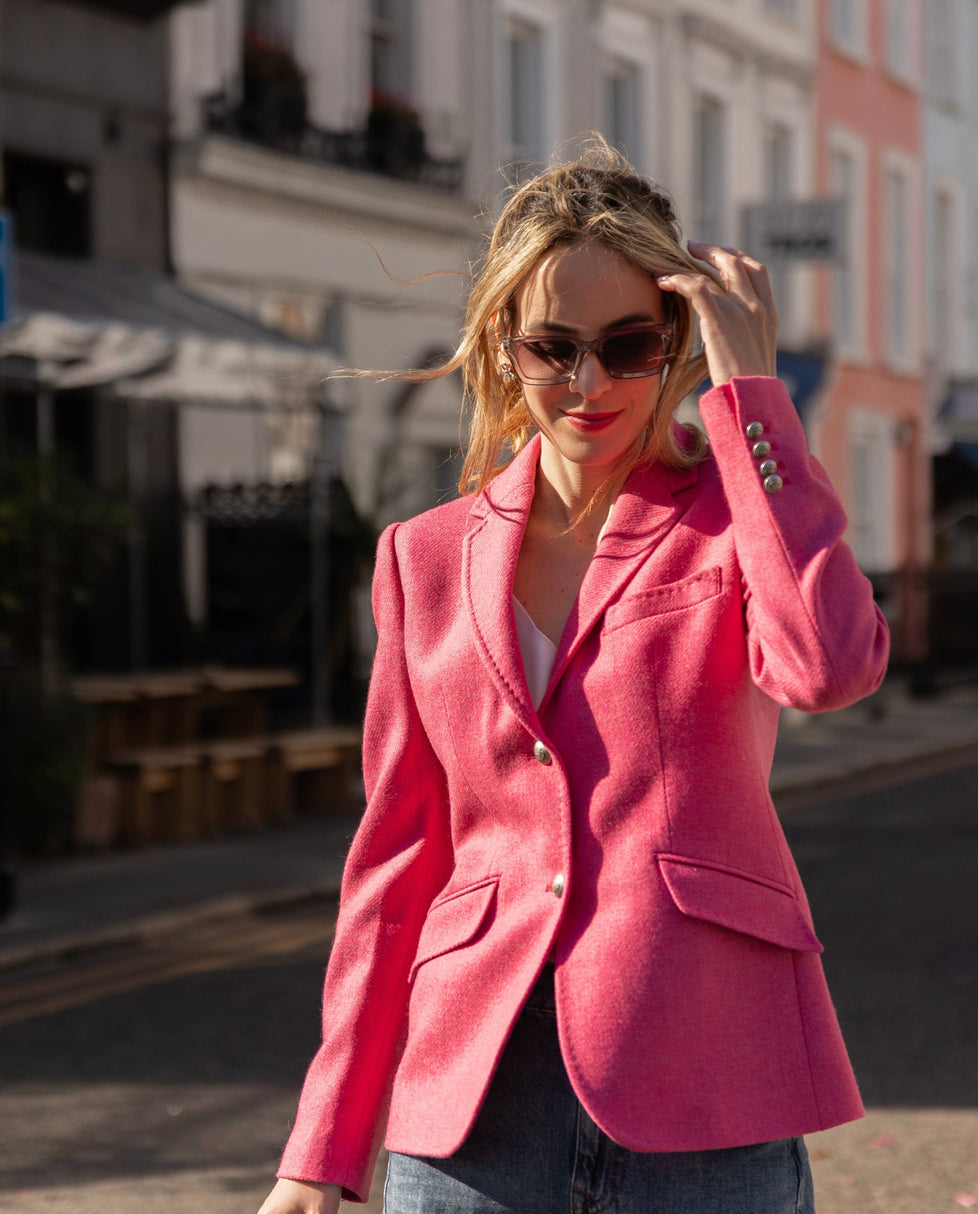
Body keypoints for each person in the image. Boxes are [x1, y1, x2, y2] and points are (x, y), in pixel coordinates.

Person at [258, 142, 889, 1214]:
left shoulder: (735, 522)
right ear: (505, 351)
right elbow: (398, 857)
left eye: (627, 344)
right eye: (552, 347)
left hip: (704, 1091)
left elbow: (826, 666)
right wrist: (319, 1149)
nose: (587, 382)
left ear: (674, 342)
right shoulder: (423, 556)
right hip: (471, 1112)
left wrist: (752, 399)